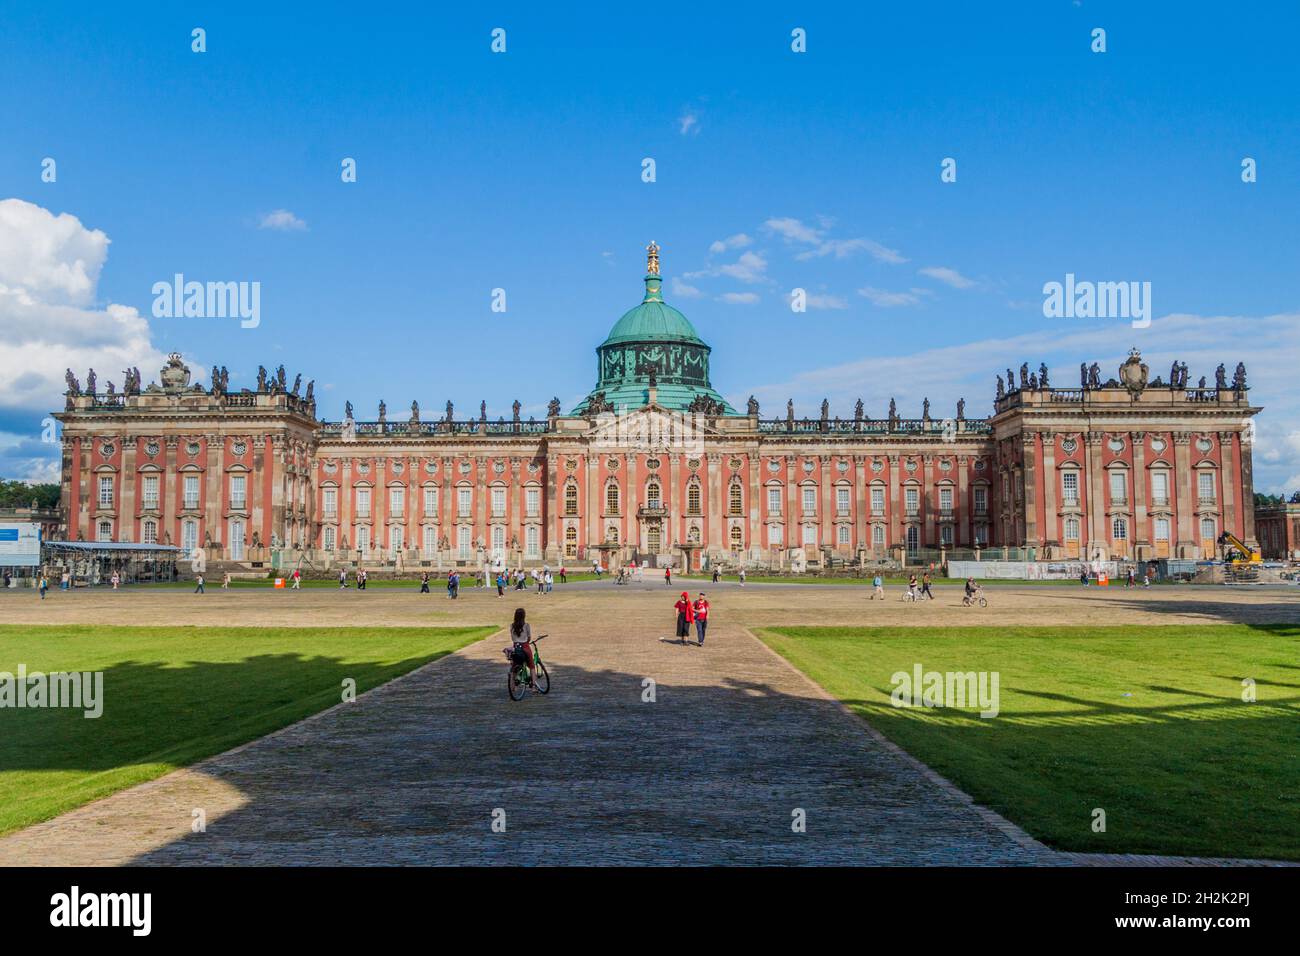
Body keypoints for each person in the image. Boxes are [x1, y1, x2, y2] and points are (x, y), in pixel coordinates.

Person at [509, 607, 538, 688]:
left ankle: (512, 687)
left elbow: (512, 638)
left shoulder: (512, 626)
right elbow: (529, 637)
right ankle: (534, 686)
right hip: (525, 646)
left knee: (514, 667)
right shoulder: (526, 625)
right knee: (532, 666)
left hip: (516, 647)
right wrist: (526, 641)